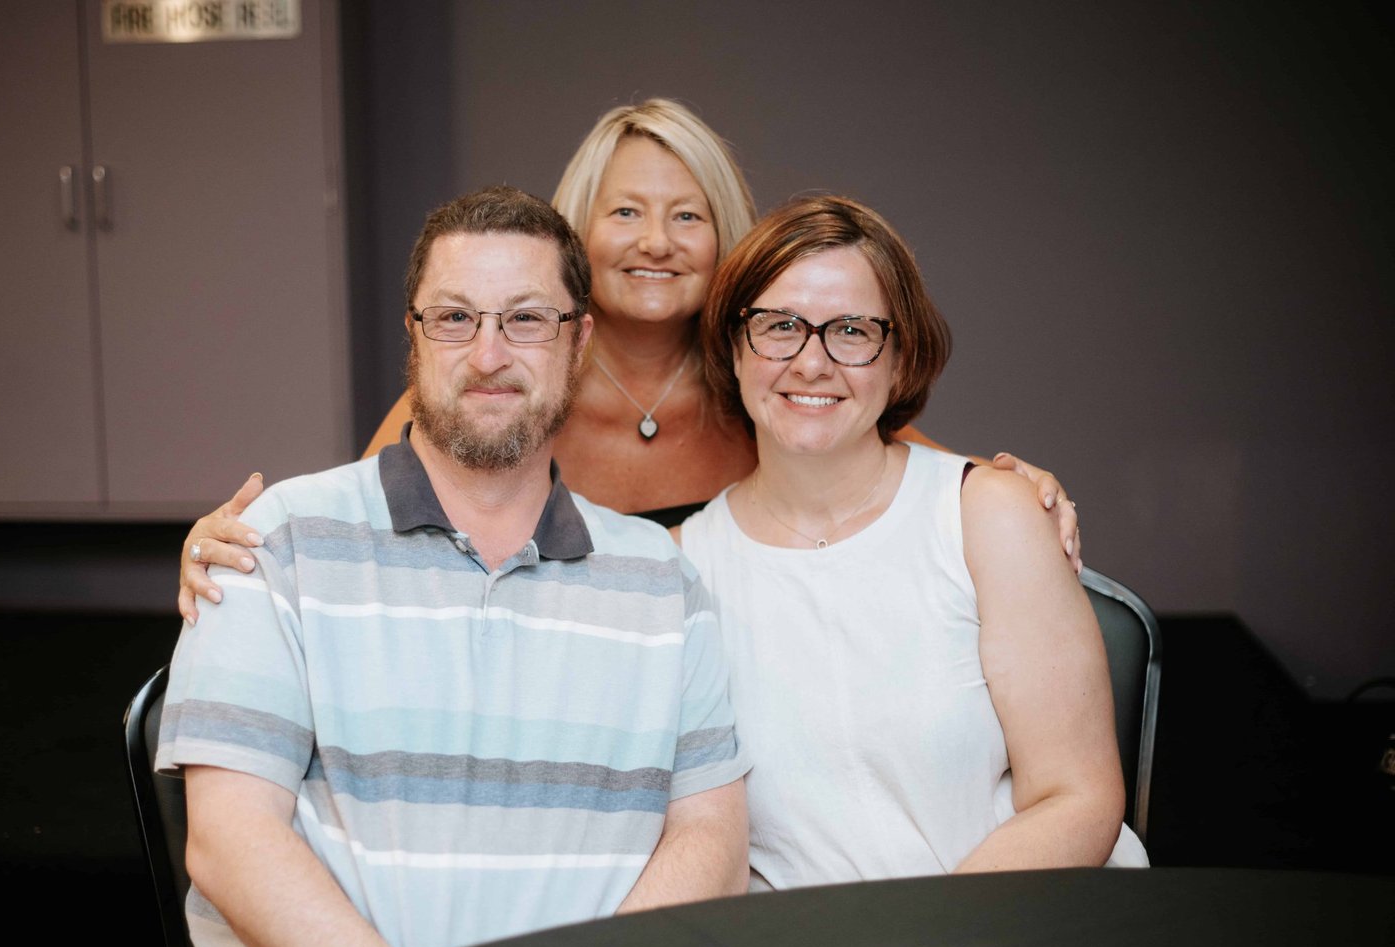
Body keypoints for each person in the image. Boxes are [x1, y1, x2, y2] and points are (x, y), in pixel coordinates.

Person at [156, 186, 751, 947]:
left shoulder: (662, 578)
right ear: (415, 335)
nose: (488, 353)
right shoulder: (275, 542)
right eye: (455, 318)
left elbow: (712, 843)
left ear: (578, 340)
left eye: (527, 319)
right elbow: (228, 843)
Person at [177, 100, 1079, 623]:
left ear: (725, 236)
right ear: (578, 233)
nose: (656, 242)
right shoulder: (512, 379)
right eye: (625, 214)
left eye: (687, 215)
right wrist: (231, 544)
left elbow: (893, 459)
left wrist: (1007, 486)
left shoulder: (766, 377)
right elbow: (359, 512)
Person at [683, 194, 1146, 887]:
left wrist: (925, 943)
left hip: (1018, 921)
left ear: (900, 359)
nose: (811, 363)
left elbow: (1077, 796)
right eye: (780, 326)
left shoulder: (990, 515)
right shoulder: (682, 567)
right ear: (733, 347)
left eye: (852, 330)